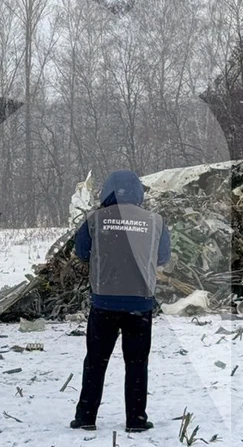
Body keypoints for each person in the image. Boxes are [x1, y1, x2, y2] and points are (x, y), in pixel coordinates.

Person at [70, 170, 171, 433]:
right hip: (140, 304)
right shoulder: (155, 221)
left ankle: (86, 416)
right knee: (137, 363)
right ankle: (136, 419)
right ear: (138, 192)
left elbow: (81, 252)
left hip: (104, 303)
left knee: (95, 361)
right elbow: (162, 257)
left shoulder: (94, 220)